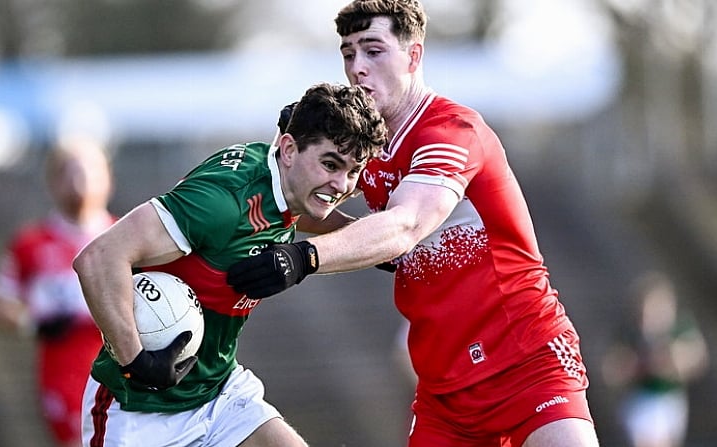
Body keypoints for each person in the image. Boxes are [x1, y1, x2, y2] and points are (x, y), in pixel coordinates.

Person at [226, 1, 602, 446]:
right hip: (444, 389)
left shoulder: (451, 131)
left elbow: (405, 225)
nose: (357, 68)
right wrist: (291, 160)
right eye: (348, 54)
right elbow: (300, 205)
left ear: (414, 56)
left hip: (527, 362)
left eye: (373, 50)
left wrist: (303, 258)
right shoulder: (362, 148)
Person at [72, 82, 387, 447]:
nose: (341, 184)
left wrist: (363, 237)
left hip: (220, 394)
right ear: (288, 149)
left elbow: (303, 208)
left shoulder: (280, 182)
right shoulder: (222, 203)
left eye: (352, 171)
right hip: (138, 409)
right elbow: (97, 259)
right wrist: (135, 361)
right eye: (330, 164)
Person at [0, 136, 116, 447]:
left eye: (91, 170)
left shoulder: (128, 238)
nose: (81, 180)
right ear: (53, 181)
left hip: (123, 369)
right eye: (71, 171)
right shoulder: (31, 244)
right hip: (63, 371)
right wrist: (34, 321)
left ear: (108, 178)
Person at [602, 271, 709, 447]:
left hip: (670, 399)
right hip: (642, 398)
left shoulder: (680, 329)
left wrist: (673, 360)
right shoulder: (631, 333)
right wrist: (639, 365)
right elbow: (612, 371)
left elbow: (697, 360)